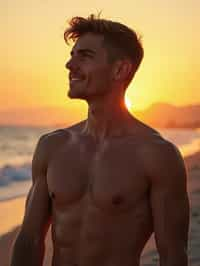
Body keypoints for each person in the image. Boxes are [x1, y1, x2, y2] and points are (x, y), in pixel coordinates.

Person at [10, 14, 190, 266]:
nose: (69, 65)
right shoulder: (52, 146)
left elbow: (173, 253)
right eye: (72, 55)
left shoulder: (157, 155)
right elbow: (29, 239)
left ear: (120, 69)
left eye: (84, 56)